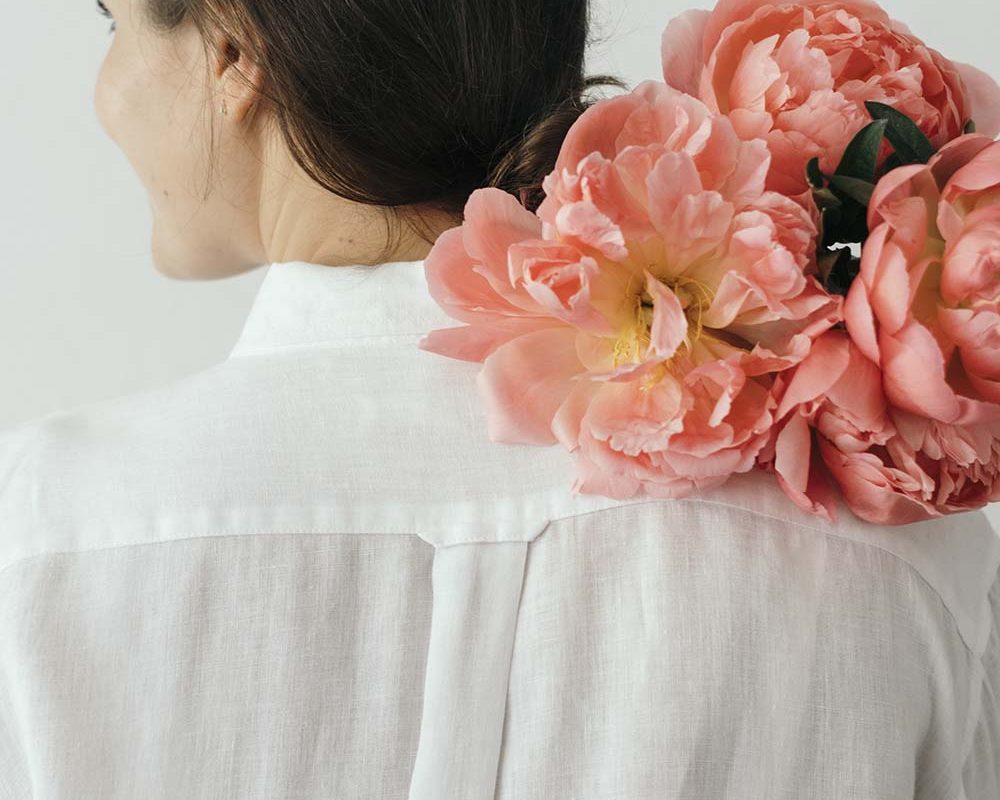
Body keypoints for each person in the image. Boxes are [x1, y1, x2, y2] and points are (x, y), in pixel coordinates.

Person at [0, 1, 997, 798]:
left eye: (112, 24)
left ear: (230, 49)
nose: (106, 91)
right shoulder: (903, 556)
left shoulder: (48, 533)